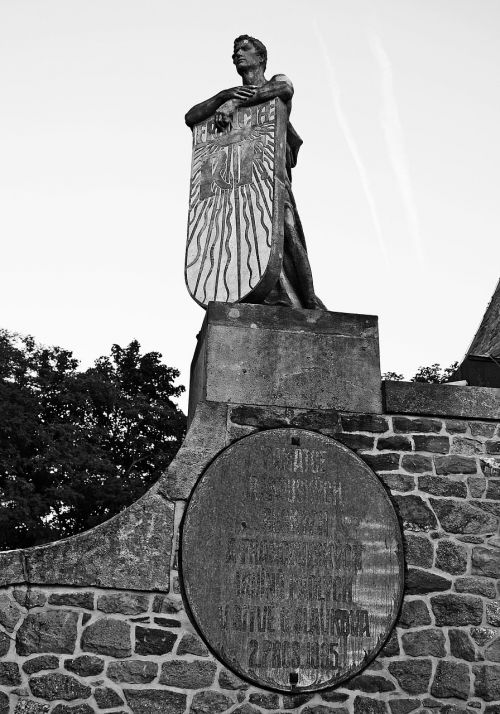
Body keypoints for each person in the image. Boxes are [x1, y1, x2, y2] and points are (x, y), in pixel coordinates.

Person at [185, 35, 324, 310]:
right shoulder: (227, 98)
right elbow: (191, 117)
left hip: (271, 181)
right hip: (238, 183)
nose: (237, 53)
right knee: (242, 235)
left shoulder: (276, 82)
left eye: (245, 49)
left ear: (261, 57)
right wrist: (225, 97)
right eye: (235, 50)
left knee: (285, 231)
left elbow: (284, 88)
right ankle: (267, 295)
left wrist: (234, 104)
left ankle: (305, 298)